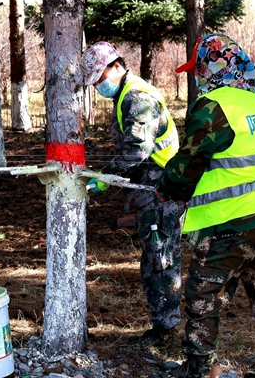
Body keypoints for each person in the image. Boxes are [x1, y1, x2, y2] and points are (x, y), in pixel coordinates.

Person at [150, 34, 255, 378]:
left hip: (232, 220)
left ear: (214, 67)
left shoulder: (213, 106)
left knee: (204, 294)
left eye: (199, 69)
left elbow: (190, 162)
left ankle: (199, 369)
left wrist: (167, 188)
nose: (197, 77)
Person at [81, 41, 186, 347]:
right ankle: (164, 324)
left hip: (161, 190)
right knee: (155, 258)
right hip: (153, 190)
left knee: (161, 261)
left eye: (100, 79)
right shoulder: (127, 95)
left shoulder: (137, 97)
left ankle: (167, 330)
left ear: (117, 66)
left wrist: (104, 178)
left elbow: (137, 150)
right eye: (94, 83)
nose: (99, 86)